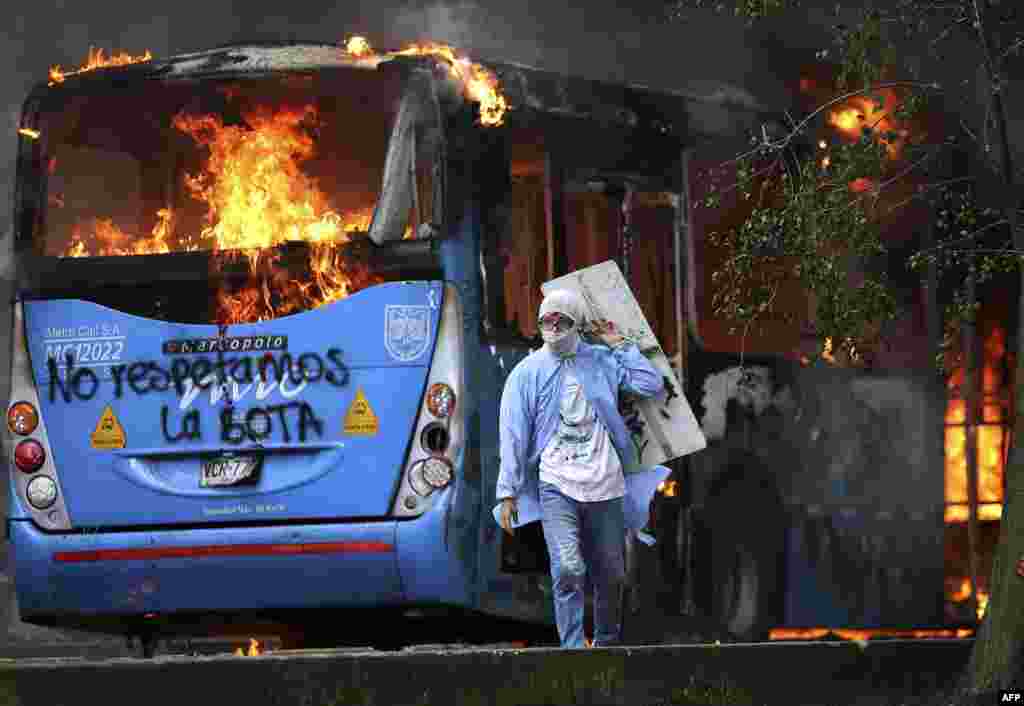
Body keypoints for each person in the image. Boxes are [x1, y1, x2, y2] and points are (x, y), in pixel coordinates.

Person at [495, 288, 666, 648]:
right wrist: (507, 493)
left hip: (606, 484)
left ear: (577, 324)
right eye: (547, 320)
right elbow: (512, 433)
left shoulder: (601, 360)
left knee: (613, 574)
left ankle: (605, 646)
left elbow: (650, 384)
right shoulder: (527, 373)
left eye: (562, 320)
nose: (553, 327)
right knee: (569, 569)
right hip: (557, 484)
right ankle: (572, 649)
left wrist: (620, 344)